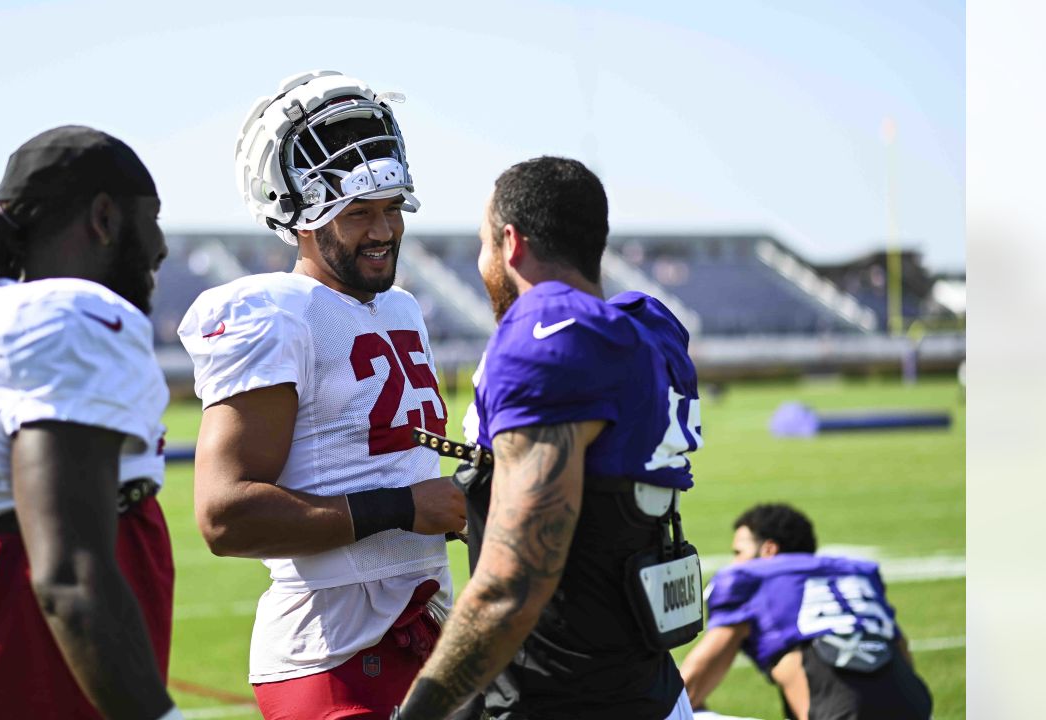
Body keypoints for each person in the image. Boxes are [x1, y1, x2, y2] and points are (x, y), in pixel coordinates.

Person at [176, 70, 466, 719]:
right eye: (358, 212)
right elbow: (226, 514)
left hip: (424, 631)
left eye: (392, 207)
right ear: (303, 220)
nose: (384, 229)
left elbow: (385, 461)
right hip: (333, 652)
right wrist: (400, 507)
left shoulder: (401, 308)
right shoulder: (273, 311)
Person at [395, 156, 705, 720]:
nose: (481, 262)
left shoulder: (547, 335)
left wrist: (424, 711)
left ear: (510, 243)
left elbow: (511, 584)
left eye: (483, 245)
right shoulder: (647, 326)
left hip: (567, 697)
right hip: (652, 687)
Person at [0, 126, 182, 720]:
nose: (159, 247)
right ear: (104, 217)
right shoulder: (70, 314)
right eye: (150, 220)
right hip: (32, 673)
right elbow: (70, 578)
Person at [679, 503, 933, 720]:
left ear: (769, 549)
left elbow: (686, 691)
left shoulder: (750, 581)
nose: (735, 562)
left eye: (739, 552)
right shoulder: (857, 573)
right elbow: (902, 652)